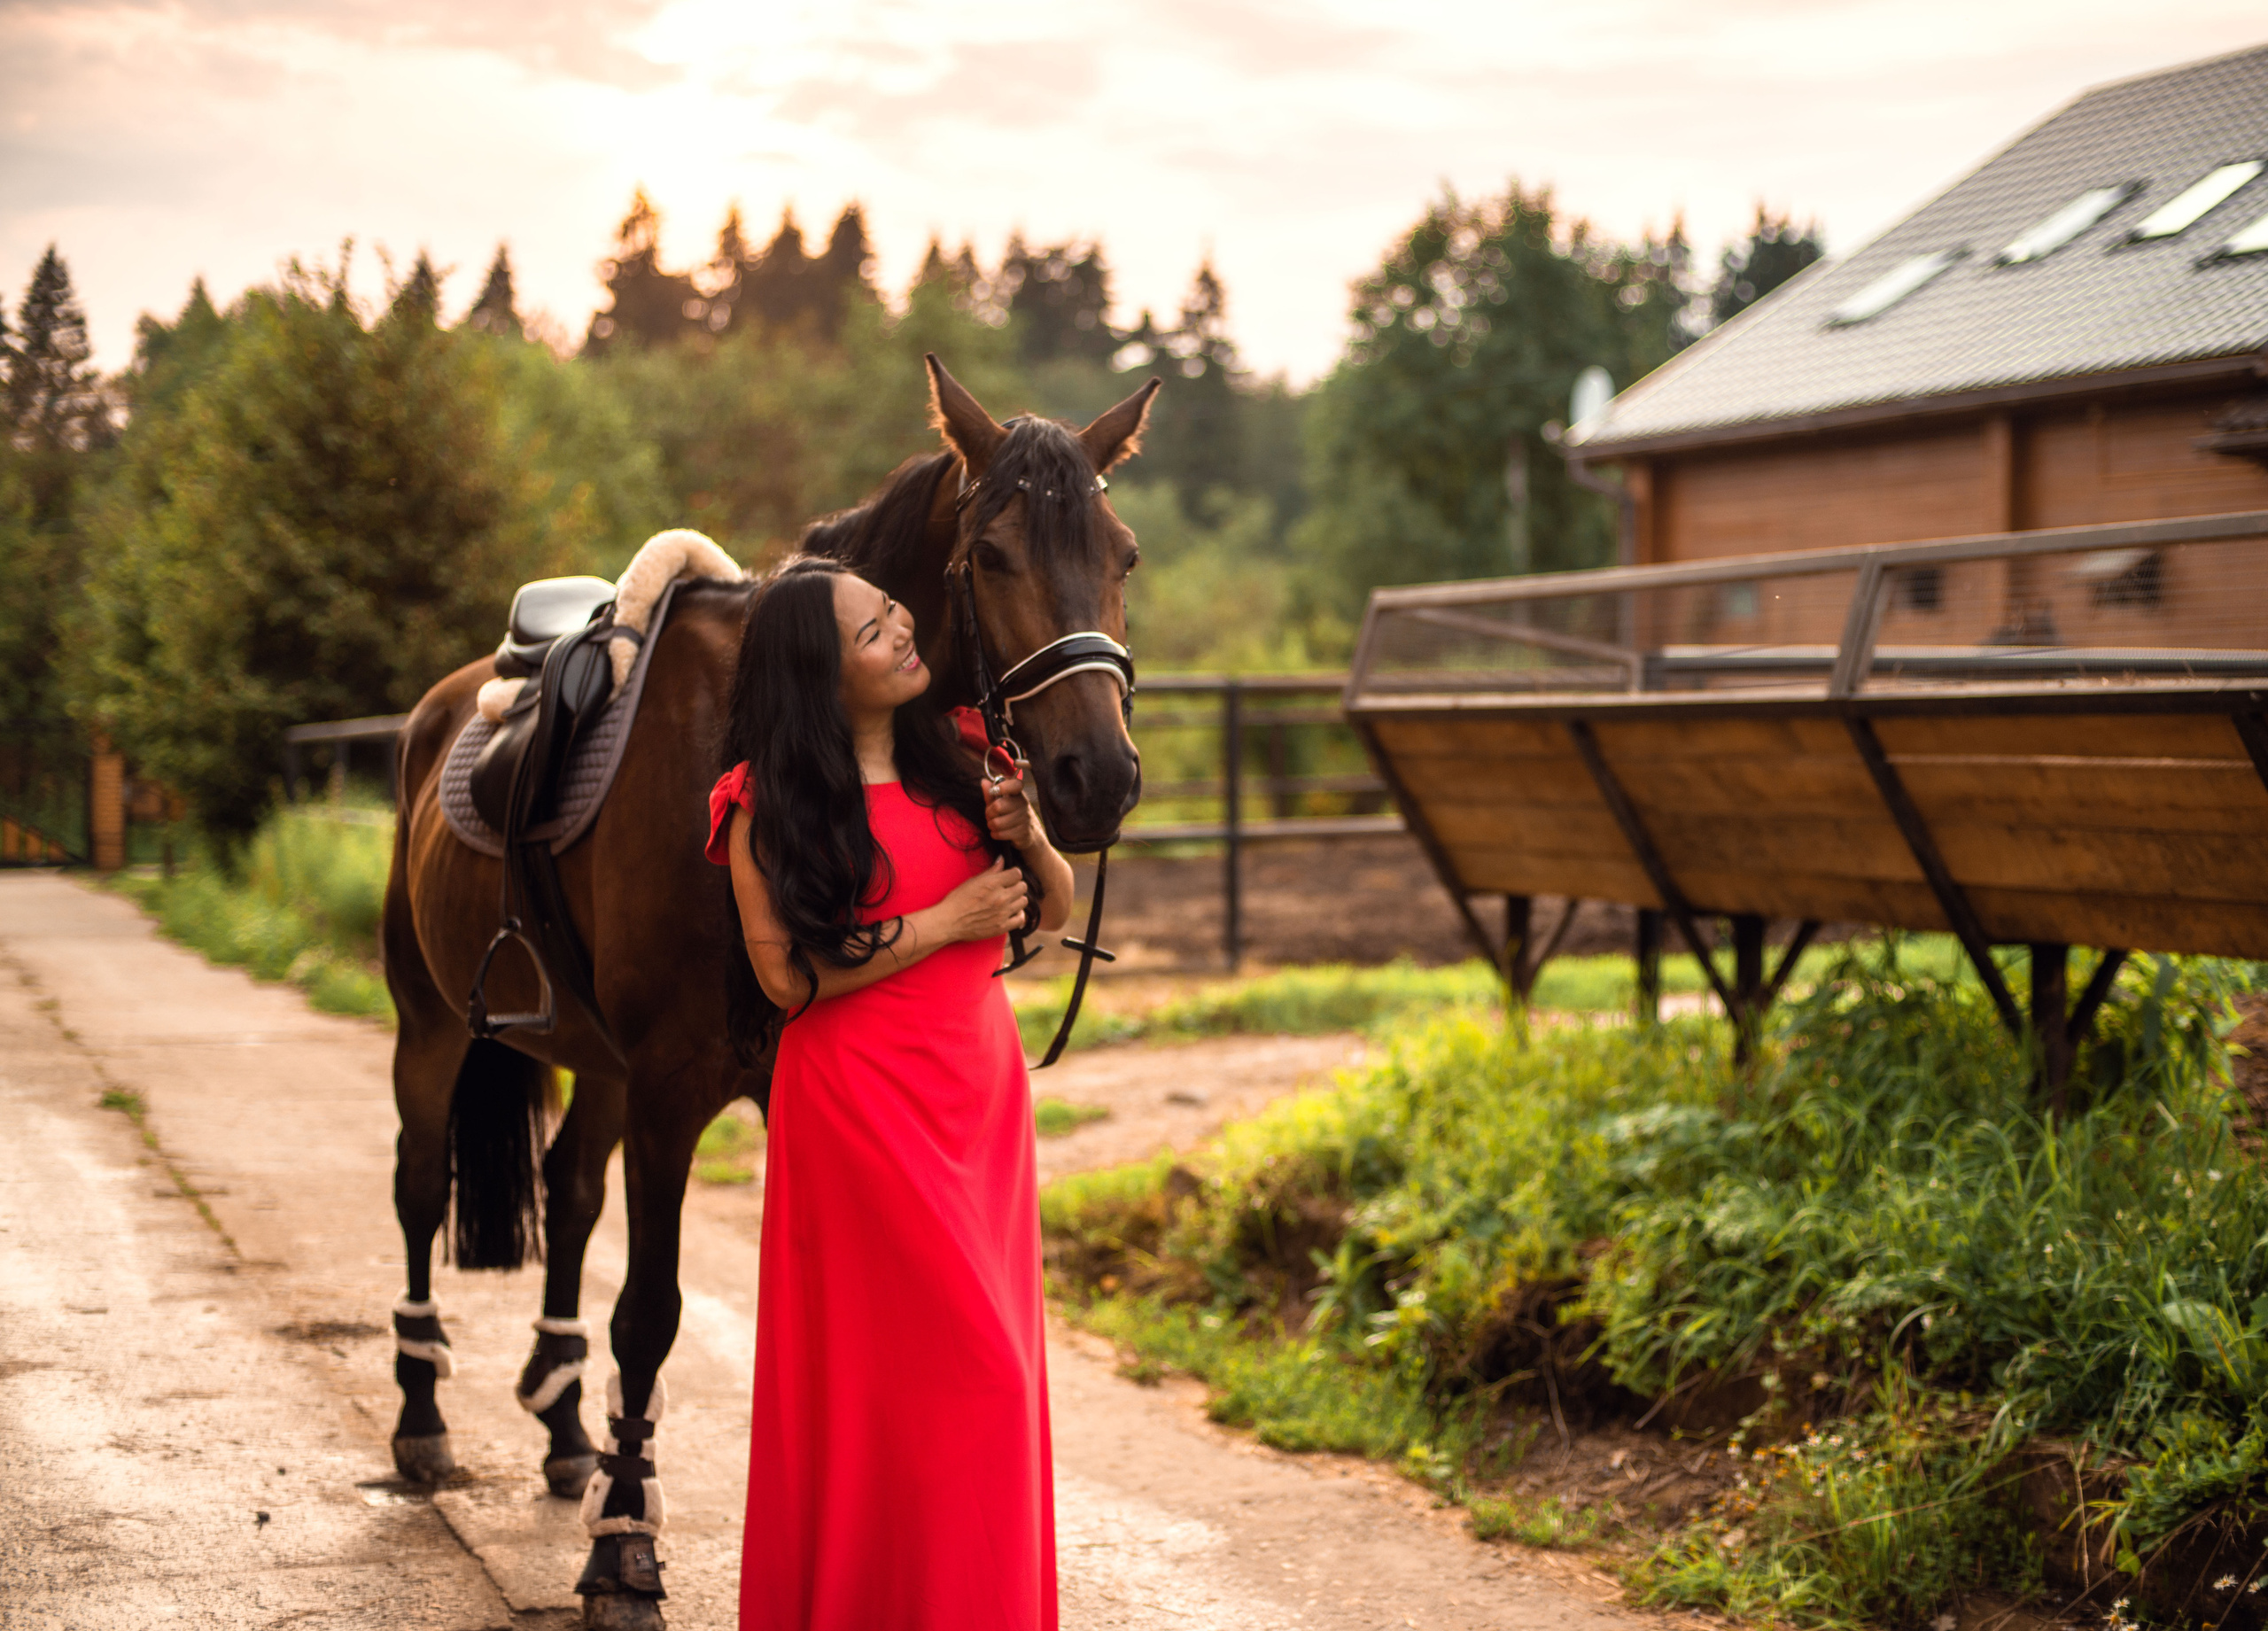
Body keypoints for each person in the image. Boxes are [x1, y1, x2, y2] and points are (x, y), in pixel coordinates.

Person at [707, 555, 1074, 1629]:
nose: (904, 631)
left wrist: (1031, 839)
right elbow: (785, 976)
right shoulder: (763, 803)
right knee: (935, 1385)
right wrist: (942, 924)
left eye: (892, 612)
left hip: (977, 1098)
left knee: (975, 1383)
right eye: (873, 631)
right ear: (821, 676)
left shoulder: (961, 758)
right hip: (858, 1108)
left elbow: (1044, 916)